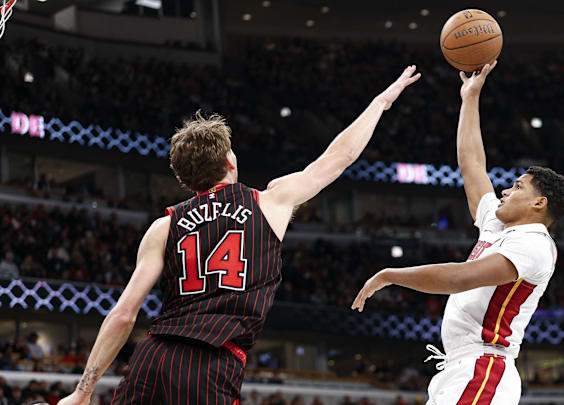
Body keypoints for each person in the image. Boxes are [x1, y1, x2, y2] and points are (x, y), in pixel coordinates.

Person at [58, 65, 421, 405]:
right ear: (230, 162)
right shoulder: (269, 202)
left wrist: (82, 392)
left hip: (152, 357)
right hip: (212, 364)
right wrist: (381, 102)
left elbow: (123, 314)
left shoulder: (164, 227)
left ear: (185, 178)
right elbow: (337, 158)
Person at [352, 62, 564, 405]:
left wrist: (391, 275)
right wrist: (470, 98)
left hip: (485, 367)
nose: (505, 191)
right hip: (461, 368)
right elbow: (472, 164)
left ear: (539, 204)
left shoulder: (534, 244)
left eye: (517, 187)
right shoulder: (498, 225)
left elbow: (461, 278)